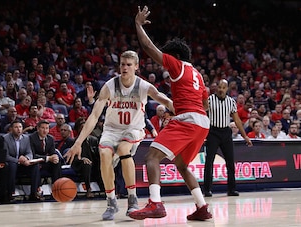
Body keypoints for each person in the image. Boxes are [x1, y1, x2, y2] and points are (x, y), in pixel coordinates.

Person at [64, 49, 174, 220]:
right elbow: (94, 116)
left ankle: (132, 199)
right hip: (111, 129)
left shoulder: (143, 86)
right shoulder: (110, 86)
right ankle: (111, 201)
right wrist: (78, 142)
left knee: (123, 149)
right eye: (122, 64)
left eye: (129, 65)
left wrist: (183, 109)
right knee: (104, 154)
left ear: (136, 67)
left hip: (133, 129)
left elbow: (164, 99)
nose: (125, 68)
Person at [129, 6, 210, 221]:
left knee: (152, 157)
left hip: (188, 119)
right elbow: (206, 102)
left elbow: (148, 47)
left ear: (175, 55)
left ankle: (155, 203)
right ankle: (202, 207)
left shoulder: (177, 64)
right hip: (203, 122)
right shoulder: (198, 75)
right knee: (182, 165)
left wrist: (137, 24)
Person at [204, 79, 252, 199]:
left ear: (227, 89)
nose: (221, 89)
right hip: (213, 132)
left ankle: (231, 189)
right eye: (219, 87)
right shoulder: (209, 100)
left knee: (230, 162)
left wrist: (245, 136)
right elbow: (202, 115)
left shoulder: (231, 101)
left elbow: (237, 120)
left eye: (223, 87)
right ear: (216, 88)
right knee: (209, 161)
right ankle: (207, 189)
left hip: (226, 132)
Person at [4, 120, 42, 201]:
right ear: (11, 129)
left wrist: (26, 159)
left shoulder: (26, 138)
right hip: (12, 164)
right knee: (12, 165)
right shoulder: (5, 138)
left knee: (35, 166)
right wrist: (18, 160)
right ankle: (10, 193)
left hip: (23, 164)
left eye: (20, 127)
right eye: (16, 127)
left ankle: (34, 193)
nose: (18, 129)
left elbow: (30, 153)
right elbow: (5, 156)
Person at [29, 120, 62, 187]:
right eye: (43, 128)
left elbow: (52, 153)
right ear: (38, 128)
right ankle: (38, 190)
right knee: (36, 166)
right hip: (35, 162)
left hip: (46, 162)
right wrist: (47, 158)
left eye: (47, 128)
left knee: (57, 163)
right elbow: (32, 155)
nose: (45, 130)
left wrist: (54, 158)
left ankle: (57, 187)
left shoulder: (51, 139)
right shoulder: (31, 138)